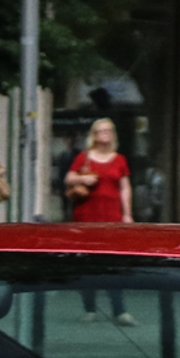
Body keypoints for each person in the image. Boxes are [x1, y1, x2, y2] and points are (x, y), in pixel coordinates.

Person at [64, 117, 135, 323]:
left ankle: (120, 310)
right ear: (93, 135)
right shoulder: (84, 157)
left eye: (108, 131)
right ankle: (90, 308)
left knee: (113, 264)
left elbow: (125, 187)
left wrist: (127, 214)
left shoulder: (119, 159)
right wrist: (81, 179)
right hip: (86, 216)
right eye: (101, 131)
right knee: (87, 262)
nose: (105, 134)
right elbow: (68, 178)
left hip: (112, 218)